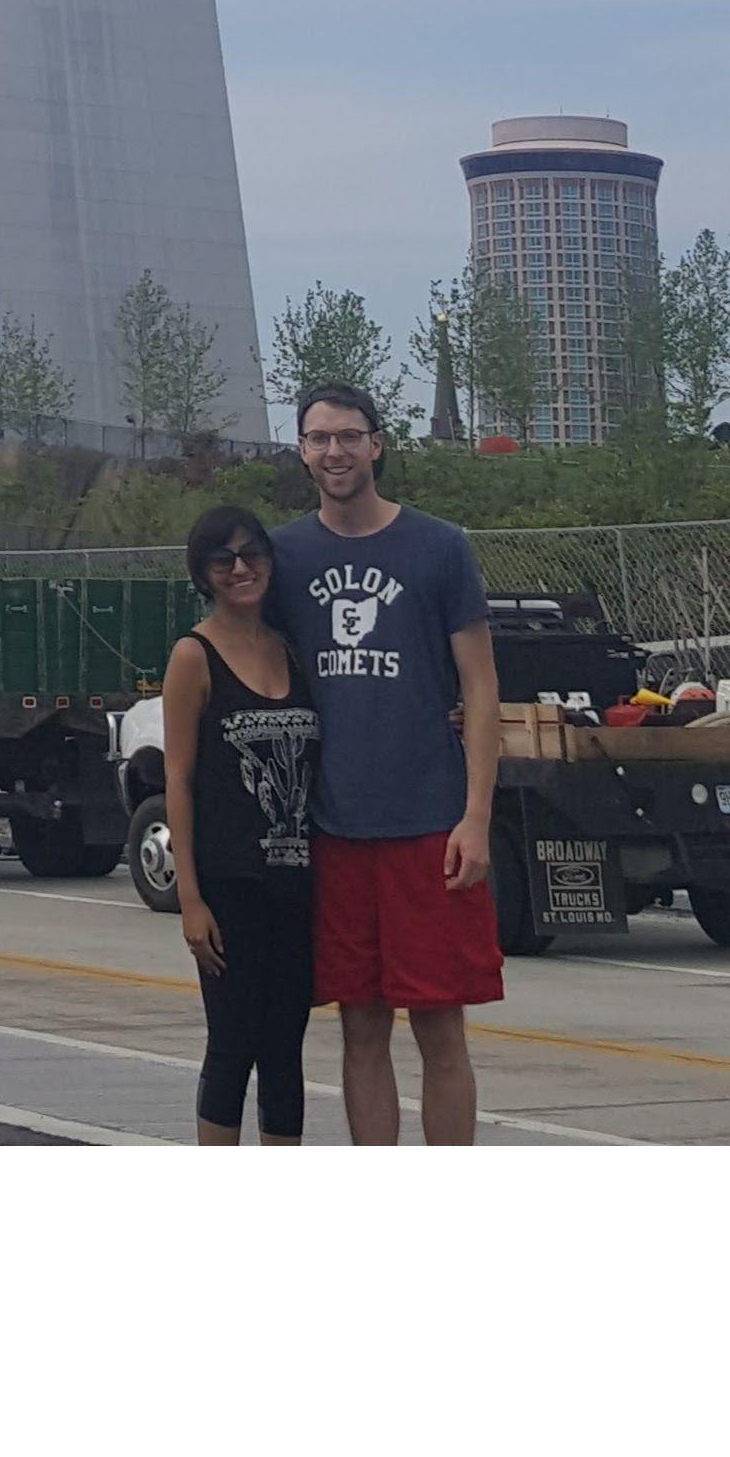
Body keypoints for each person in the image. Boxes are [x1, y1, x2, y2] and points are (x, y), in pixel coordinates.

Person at [268, 380, 502, 1146]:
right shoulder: (285, 555)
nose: (333, 451)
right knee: (359, 1027)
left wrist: (474, 816)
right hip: (332, 826)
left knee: (440, 1026)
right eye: (318, 437)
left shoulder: (438, 547)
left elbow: (479, 686)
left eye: (347, 435)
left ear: (377, 443)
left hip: (428, 823)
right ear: (301, 449)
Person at [161, 502, 319, 1146]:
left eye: (252, 553)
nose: (240, 567)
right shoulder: (194, 656)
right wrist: (190, 899)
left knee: (285, 1045)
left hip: (299, 881)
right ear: (204, 573)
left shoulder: (293, 650)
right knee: (233, 1042)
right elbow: (178, 779)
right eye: (223, 558)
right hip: (229, 882)